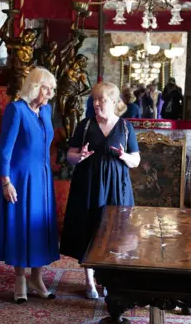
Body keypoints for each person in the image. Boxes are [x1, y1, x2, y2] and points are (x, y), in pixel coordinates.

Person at [60, 81, 141, 299]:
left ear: (114, 102)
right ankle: (89, 281)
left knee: (115, 231)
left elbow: (136, 160)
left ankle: (108, 278)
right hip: (88, 183)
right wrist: (80, 157)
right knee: (89, 228)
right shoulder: (85, 125)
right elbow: (70, 155)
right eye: (94, 99)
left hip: (116, 185)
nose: (96, 104)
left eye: (101, 100)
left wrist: (124, 156)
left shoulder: (125, 127)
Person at [0, 67, 59, 304]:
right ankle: (20, 278)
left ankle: (37, 278)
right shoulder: (16, 109)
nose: (50, 94)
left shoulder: (47, 110)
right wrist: (6, 182)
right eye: (46, 88)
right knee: (20, 226)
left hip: (42, 178)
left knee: (39, 226)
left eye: (52, 89)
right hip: (20, 178)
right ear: (34, 87)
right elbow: (5, 148)